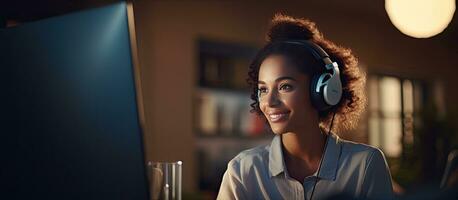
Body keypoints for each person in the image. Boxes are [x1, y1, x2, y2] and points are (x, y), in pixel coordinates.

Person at [217, 14, 394, 200]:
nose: (269, 102)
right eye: (263, 89)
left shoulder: (365, 165)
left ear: (322, 89)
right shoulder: (243, 171)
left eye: (285, 86)